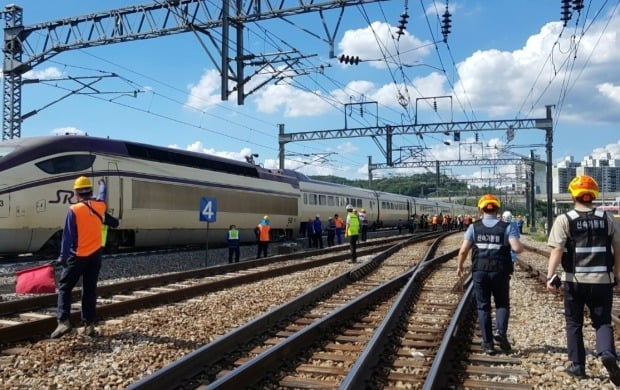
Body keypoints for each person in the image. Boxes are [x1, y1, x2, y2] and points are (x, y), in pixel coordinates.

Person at [545, 175, 620, 383]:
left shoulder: (565, 219)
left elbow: (557, 250)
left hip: (574, 280)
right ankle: (607, 352)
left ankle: (578, 365)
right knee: (603, 321)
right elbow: (618, 247)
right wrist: (616, 274)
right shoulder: (607, 219)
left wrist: (550, 276)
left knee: (574, 322)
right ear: (593, 195)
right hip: (602, 281)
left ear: (572, 195)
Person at [456, 194, 524, 355]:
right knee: (502, 304)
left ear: (481, 209)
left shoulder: (474, 227)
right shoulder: (506, 226)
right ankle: (500, 333)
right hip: (500, 271)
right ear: (497, 209)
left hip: (480, 271)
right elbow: (517, 248)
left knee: (483, 306)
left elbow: (463, 250)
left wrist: (459, 266)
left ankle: (488, 344)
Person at [51, 176, 108, 338]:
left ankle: (64, 322)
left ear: (76, 193)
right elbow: (103, 195)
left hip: (78, 256)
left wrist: (62, 257)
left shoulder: (74, 210)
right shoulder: (100, 205)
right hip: (95, 256)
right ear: (90, 191)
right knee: (89, 290)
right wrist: (103, 185)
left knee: (64, 287)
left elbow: (67, 237)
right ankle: (89, 326)